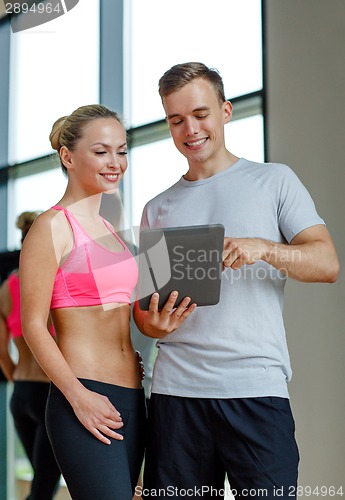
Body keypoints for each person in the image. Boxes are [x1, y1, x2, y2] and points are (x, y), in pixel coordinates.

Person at [133, 62, 340, 500]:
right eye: (176, 120)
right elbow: (144, 310)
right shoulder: (157, 207)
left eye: (201, 113)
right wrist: (152, 325)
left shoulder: (274, 181)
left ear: (225, 111)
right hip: (176, 395)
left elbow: (326, 263)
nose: (190, 129)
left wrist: (266, 248)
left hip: (255, 390)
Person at [19, 104, 147, 500]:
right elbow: (33, 326)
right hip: (85, 396)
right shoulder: (51, 225)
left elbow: (120, 317)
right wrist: (79, 397)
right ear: (68, 157)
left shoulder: (113, 229)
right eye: (101, 151)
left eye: (122, 151)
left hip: (132, 396)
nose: (115, 163)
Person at [0, 211, 61, 500]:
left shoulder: (5, 289)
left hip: (21, 394)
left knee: (41, 481)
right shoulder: (50, 280)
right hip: (48, 393)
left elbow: (1, 353)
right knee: (44, 487)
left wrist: (19, 384)